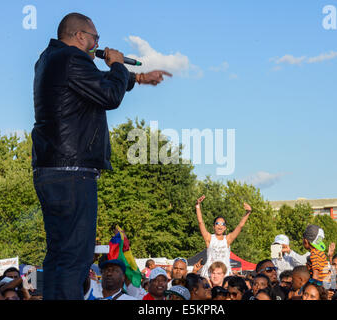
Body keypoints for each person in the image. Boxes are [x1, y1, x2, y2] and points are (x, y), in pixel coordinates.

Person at [31, 12, 172, 300]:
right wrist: (118, 64)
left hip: (51, 169)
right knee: (76, 257)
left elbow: (96, 83)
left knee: (59, 255)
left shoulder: (51, 59)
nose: (98, 43)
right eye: (95, 37)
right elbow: (109, 95)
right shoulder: (72, 59)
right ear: (80, 36)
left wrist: (139, 78)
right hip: (73, 171)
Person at [195, 195, 252, 278]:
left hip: (224, 274)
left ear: (225, 228)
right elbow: (200, 222)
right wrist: (197, 206)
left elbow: (240, 226)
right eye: (217, 223)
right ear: (213, 226)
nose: (220, 226)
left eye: (223, 224)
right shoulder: (209, 238)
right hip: (209, 274)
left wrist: (248, 213)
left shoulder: (228, 239)